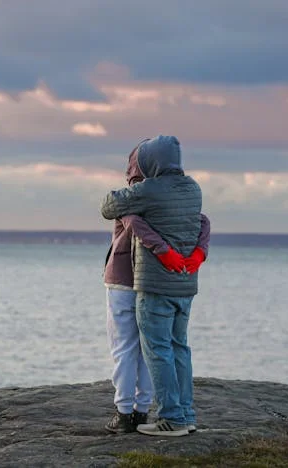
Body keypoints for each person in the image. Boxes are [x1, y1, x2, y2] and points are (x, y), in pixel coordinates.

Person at [101, 135, 207, 437]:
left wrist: (160, 249)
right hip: (183, 284)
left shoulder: (148, 191)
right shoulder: (192, 189)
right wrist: (197, 254)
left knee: (146, 349)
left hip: (147, 282)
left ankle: (158, 416)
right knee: (177, 348)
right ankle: (181, 414)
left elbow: (110, 205)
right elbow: (203, 221)